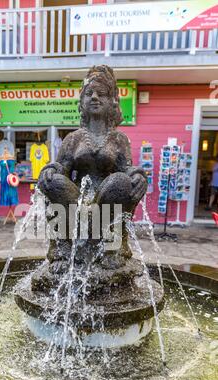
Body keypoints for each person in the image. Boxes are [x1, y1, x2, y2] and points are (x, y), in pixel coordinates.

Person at [38, 65, 147, 264]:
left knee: (120, 181)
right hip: (76, 203)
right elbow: (62, 167)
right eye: (89, 93)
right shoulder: (73, 138)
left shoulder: (119, 139)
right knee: (53, 181)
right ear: (82, 101)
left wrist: (138, 175)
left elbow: (126, 168)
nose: (94, 97)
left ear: (111, 101)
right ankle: (62, 244)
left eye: (101, 94)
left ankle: (112, 245)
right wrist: (51, 170)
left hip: (106, 201)